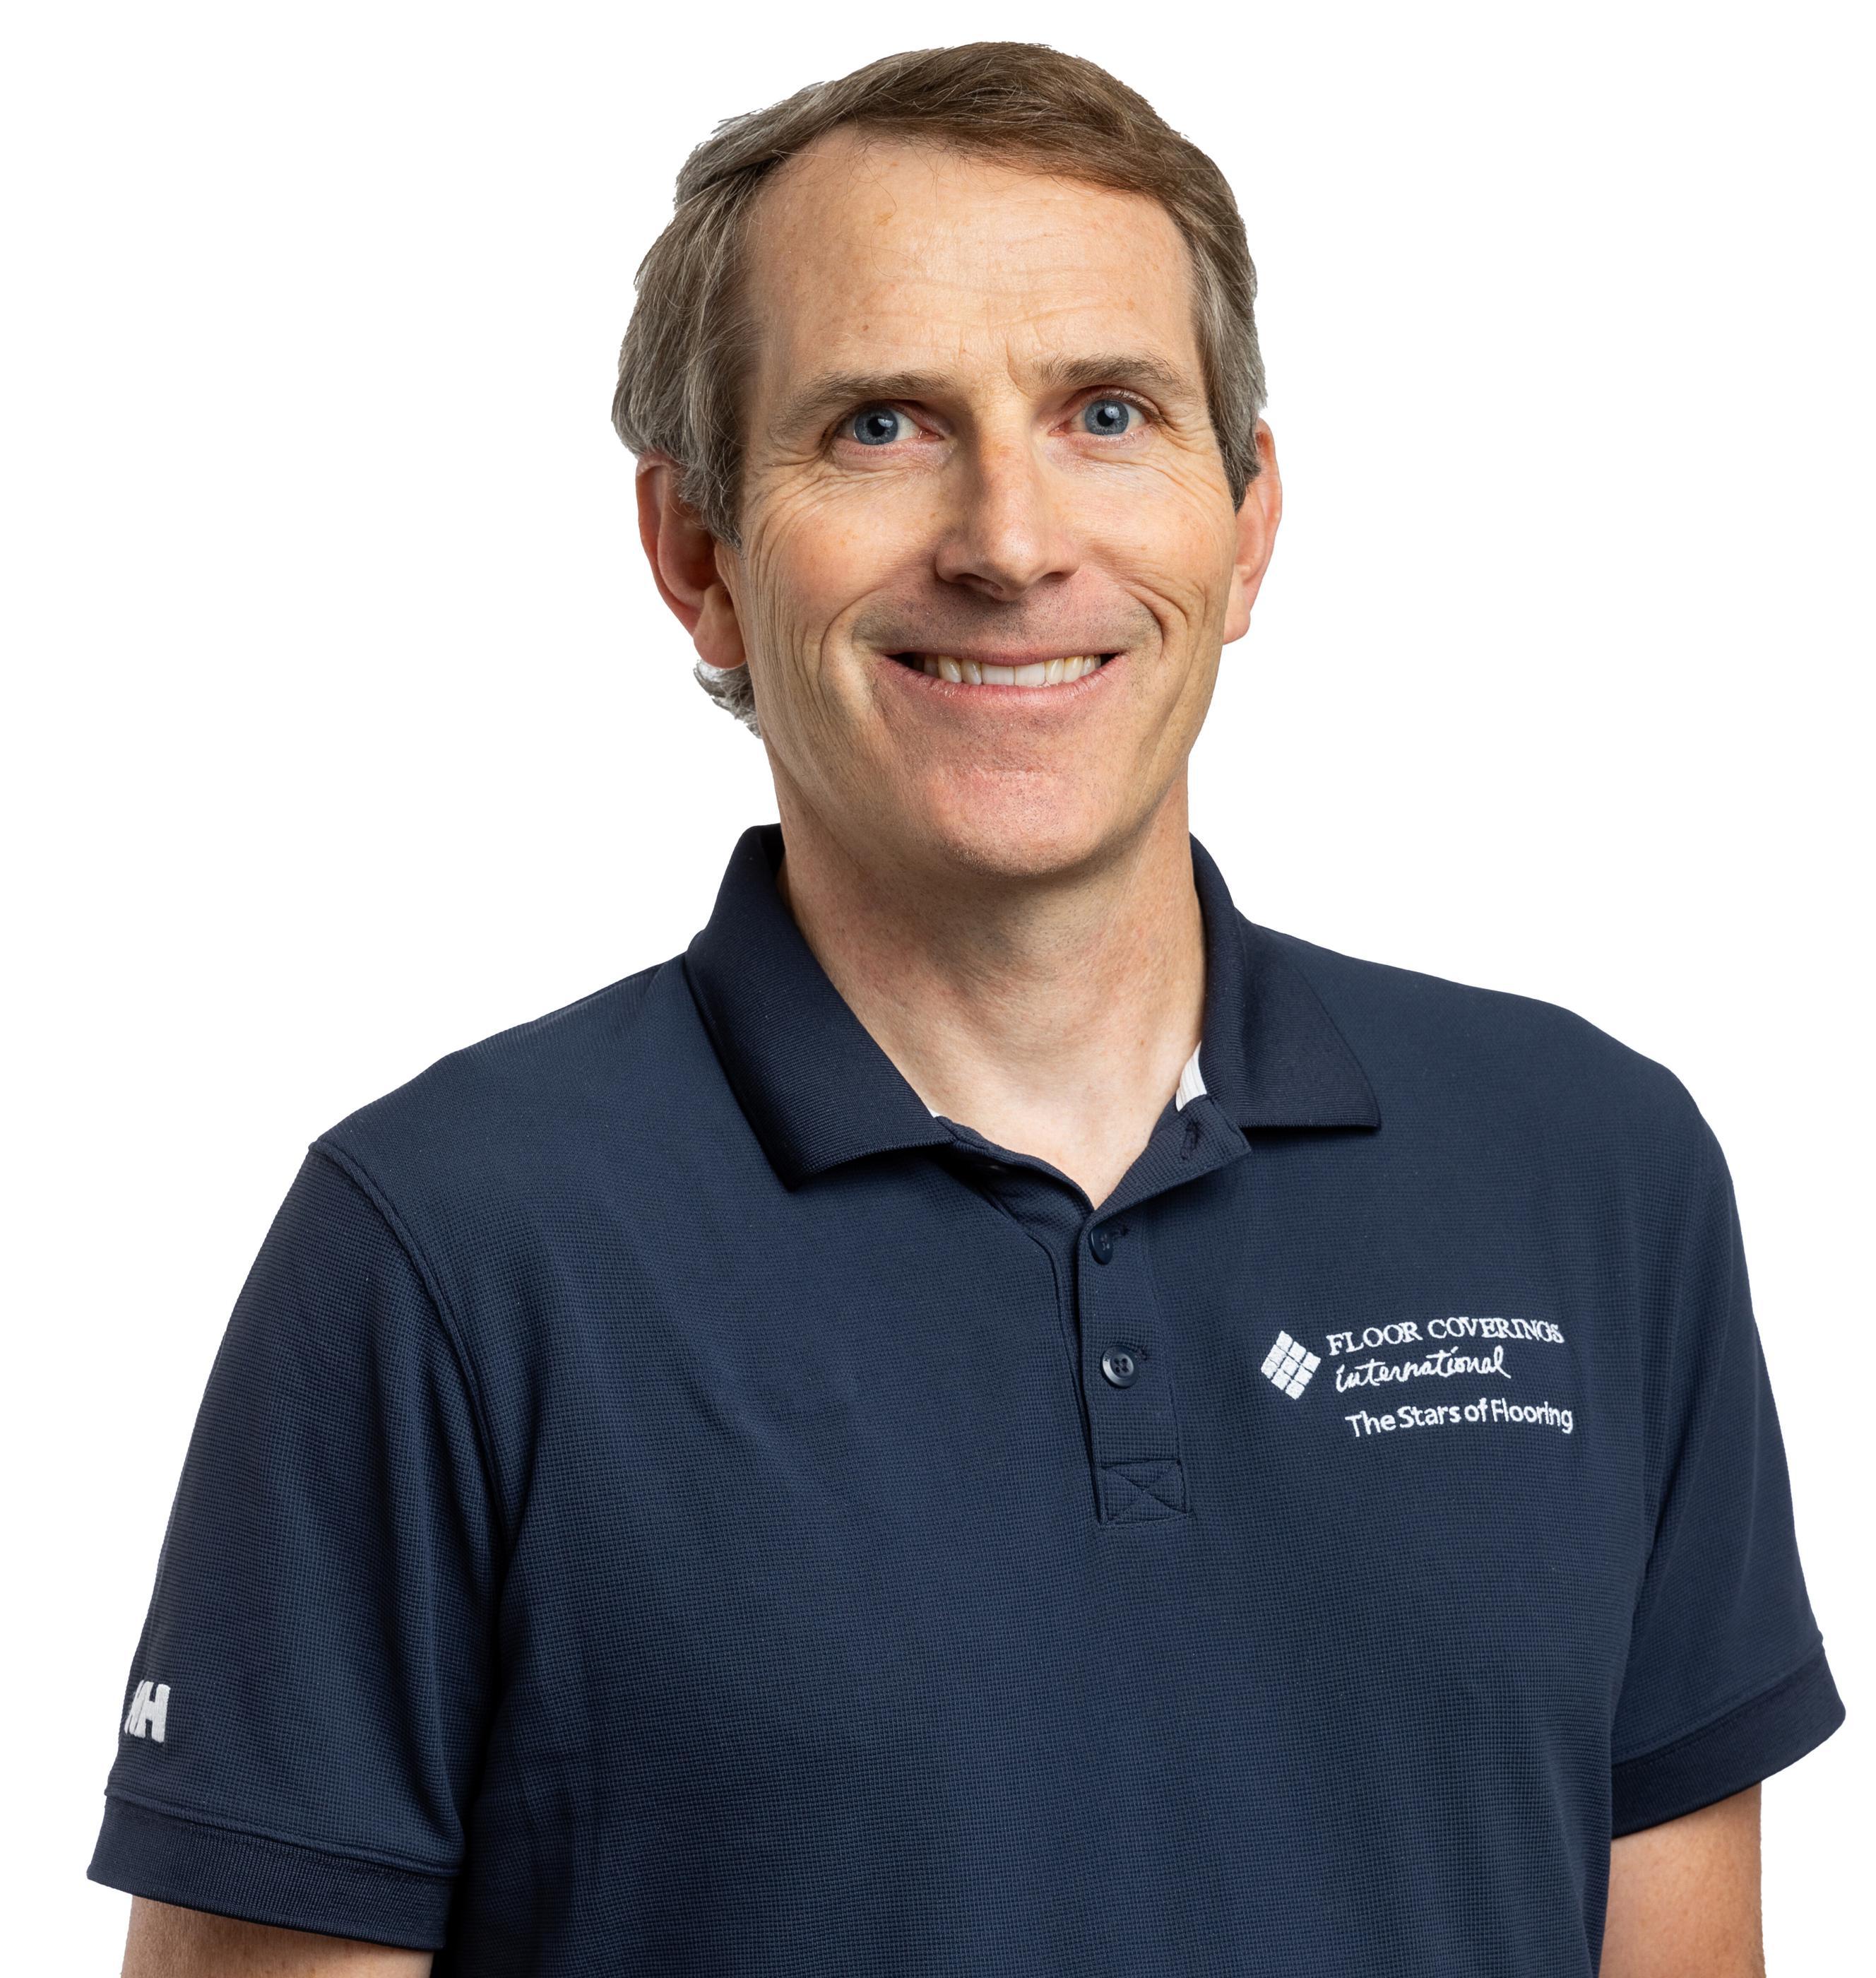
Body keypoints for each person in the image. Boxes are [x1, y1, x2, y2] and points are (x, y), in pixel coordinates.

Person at [90, 40, 1842, 1978]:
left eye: (1109, 413)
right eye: (880, 426)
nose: (1010, 541)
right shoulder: (444, 1249)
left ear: (1247, 521)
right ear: (697, 555)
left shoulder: (1589, 1171)